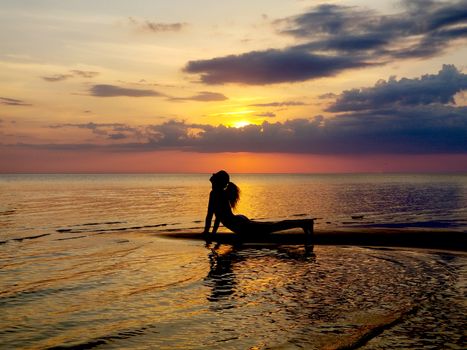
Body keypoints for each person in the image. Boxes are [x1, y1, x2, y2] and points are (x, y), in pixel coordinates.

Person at [202, 170, 314, 237]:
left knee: (272, 227)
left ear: (217, 183)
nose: (211, 182)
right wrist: (212, 234)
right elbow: (218, 216)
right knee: (271, 226)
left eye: (214, 181)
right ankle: (304, 223)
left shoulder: (215, 194)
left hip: (240, 226)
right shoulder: (220, 193)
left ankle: (305, 223)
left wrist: (207, 233)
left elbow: (210, 215)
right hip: (239, 221)